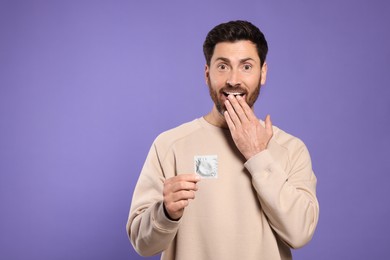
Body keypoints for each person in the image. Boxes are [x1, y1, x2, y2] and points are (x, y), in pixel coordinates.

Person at [126, 20, 319, 260]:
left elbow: (300, 234)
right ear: (207, 74)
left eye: (246, 67)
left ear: (263, 73)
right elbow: (141, 244)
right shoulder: (170, 145)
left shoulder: (291, 149)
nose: (233, 80)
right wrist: (166, 213)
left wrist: (258, 155)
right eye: (223, 66)